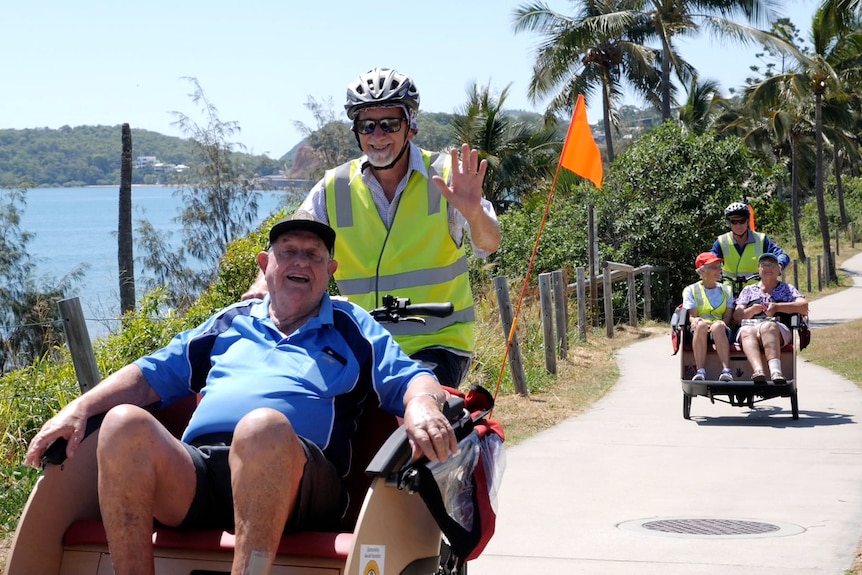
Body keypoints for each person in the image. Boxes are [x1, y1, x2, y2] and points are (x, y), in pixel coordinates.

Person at [24, 212, 457, 575]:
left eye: (313, 255)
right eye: (289, 252)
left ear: (330, 271)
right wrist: (78, 409)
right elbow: (146, 375)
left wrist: (421, 404)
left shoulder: (350, 324)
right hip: (204, 474)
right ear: (266, 264)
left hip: (300, 481)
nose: (300, 262)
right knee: (121, 423)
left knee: (261, 427)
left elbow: (411, 376)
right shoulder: (231, 321)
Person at [243, 67, 501, 388]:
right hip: (362, 343)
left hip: (437, 343)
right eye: (367, 125)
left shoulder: (445, 175)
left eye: (390, 124)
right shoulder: (334, 187)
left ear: (411, 128)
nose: (378, 136)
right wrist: (262, 287)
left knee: (411, 416)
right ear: (357, 132)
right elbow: (290, 245)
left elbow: (489, 243)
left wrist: (475, 213)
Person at [733, 252, 809, 384]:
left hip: (777, 329)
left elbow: (803, 306)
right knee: (746, 330)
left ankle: (776, 372)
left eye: (772, 265)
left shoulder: (787, 289)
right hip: (750, 325)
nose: (768, 268)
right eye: (764, 265)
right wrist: (750, 310)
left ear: (779, 270)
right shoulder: (748, 290)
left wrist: (777, 307)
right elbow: (737, 317)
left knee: (767, 327)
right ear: (759, 269)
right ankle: (758, 371)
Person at [682, 252, 735, 382]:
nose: (719, 270)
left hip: (721, 329)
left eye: (719, 266)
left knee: (717, 326)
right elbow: (692, 316)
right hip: (701, 329)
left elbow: (728, 316)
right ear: (702, 271)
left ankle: (726, 371)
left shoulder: (727, 289)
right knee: (700, 325)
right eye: (714, 267)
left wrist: (722, 322)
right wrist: (696, 320)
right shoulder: (691, 290)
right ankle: (700, 371)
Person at [711, 202, 789, 284]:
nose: (738, 225)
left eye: (742, 221)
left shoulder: (761, 239)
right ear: (729, 223)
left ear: (748, 221)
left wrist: (779, 265)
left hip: (756, 292)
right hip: (728, 292)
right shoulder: (721, 241)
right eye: (734, 222)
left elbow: (782, 255)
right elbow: (710, 259)